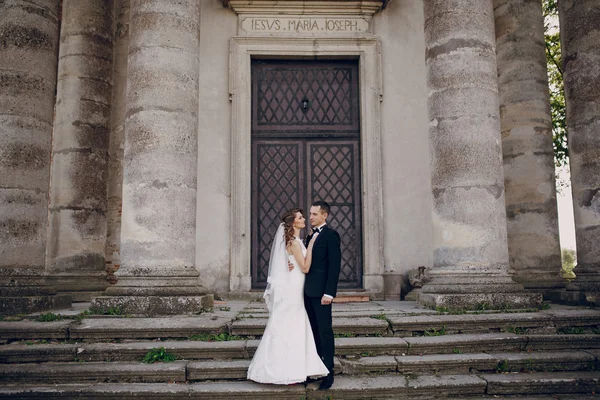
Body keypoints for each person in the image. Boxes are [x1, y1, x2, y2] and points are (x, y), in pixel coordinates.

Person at [247, 208, 329, 384]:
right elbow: (305, 268)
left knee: (292, 322)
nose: (305, 219)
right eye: (300, 217)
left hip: (296, 284)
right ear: (293, 223)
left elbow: (292, 263)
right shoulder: (294, 242)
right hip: (293, 289)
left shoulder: (295, 241)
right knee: (291, 322)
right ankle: (284, 368)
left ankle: (298, 366)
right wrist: (313, 244)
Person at [304, 200, 341, 390]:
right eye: (310, 214)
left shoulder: (331, 236)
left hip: (321, 294)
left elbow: (334, 267)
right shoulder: (309, 235)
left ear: (324, 216)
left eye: (314, 214)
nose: (310, 217)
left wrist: (329, 293)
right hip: (306, 292)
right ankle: (315, 369)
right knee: (313, 333)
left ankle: (329, 373)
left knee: (325, 333)